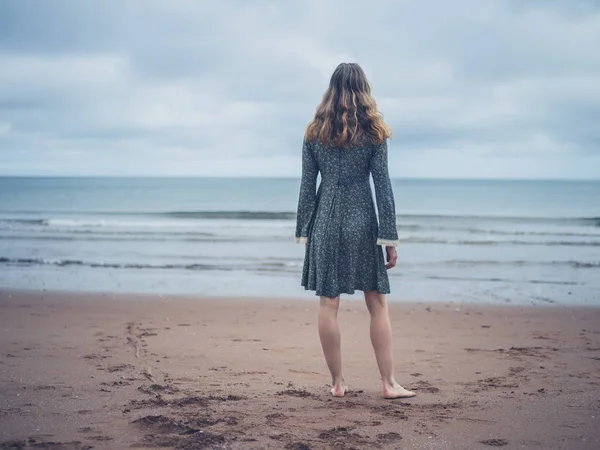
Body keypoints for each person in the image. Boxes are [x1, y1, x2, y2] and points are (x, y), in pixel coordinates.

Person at [295, 62, 416, 400]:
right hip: (362, 221)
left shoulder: (314, 133)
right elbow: (383, 187)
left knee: (327, 304)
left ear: (330, 90)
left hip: (325, 224)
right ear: (364, 89)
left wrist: (305, 231)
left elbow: (307, 187)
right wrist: (389, 237)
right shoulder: (375, 132)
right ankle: (389, 384)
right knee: (377, 303)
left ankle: (337, 383)